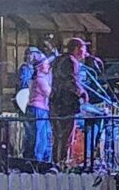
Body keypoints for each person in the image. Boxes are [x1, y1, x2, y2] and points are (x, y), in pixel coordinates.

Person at [50, 38, 89, 166]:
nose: (85, 52)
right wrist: (82, 92)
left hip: (55, 103)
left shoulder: (58, 60)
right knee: (66, 137)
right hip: (66, 104)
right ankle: (63, 164)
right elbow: (70, 82)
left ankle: (56, 164)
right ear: (77, 49)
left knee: (57, 137)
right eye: (84, 48)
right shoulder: (71, 61)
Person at [25, 56, 53, 162]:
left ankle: (40, 159)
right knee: (39, 136)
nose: (48, 66)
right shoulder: (40, 79)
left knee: (42, 136)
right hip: (38, 110)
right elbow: (49, 93)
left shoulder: (38, 79)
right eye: (46, 64)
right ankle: (37, 160)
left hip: (39, 109)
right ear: (40, 67)